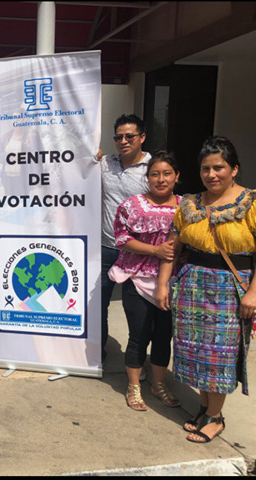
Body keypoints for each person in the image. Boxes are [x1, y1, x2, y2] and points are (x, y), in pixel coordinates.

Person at [155, 136, 256, 443]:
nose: (212, 174)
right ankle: (204, 407)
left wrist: (255, 291)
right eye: (206, 169)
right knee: (193, 351)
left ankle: (215, 416)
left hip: (229, 289)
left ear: (234, 169)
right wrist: (162, 284)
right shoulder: (189, 205)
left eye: (219, 167)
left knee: (219, 355)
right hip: (191, 286)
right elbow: (172, 247)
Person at [108, 151, 181, 411]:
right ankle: (134, 386)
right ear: (147, 177)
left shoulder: (186, 208)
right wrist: (155, 251)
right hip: (136, 279)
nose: (160, 179)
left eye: (167, 173)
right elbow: (121, 238)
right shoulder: (131, 205)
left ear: (176, 176)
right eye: (154, 174)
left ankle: (158, 384)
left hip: (172, 283)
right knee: (138, 336)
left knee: (163, 336)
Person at [96, 114, 152, 366]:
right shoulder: (106, 163)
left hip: (138, 252)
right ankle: (99, 352)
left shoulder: (152, 169)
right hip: (107, 247)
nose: (123, 141)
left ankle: (136, 360)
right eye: (118, 137)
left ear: (142, 138)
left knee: (138, 310)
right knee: (98, 305)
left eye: (130, 136)